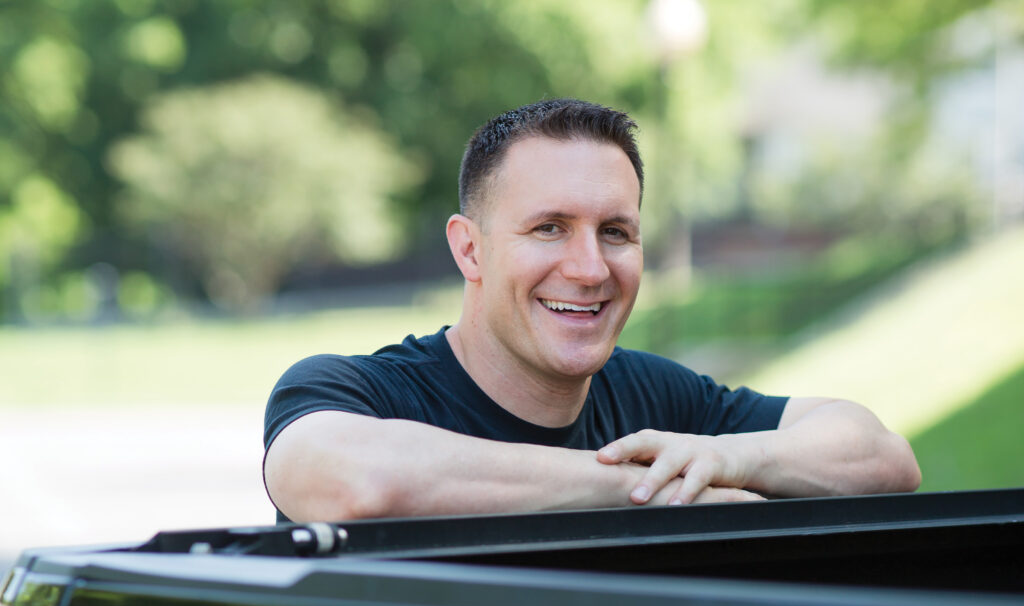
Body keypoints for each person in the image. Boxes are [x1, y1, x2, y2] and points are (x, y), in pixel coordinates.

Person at [263, 99, 920, 523]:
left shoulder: (660, 402)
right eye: (549, 227)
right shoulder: (354, 390)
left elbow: (882, 457)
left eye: (615, 231)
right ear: (470, 249)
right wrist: (648, 489)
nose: (589, 268)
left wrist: (733, 459)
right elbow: (343, 481)